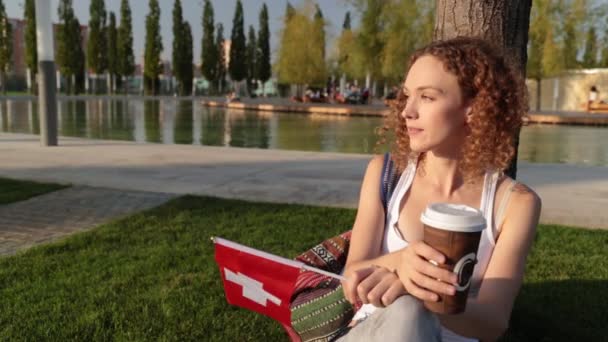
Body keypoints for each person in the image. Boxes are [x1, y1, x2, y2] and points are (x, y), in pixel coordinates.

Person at [337, 37, 542, 342]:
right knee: (405, 313)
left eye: (427, 97)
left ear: (473, 108)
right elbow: (351, 277)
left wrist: (418, 291)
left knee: (411, 310)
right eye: (407, 96)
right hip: (374, 332)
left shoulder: (514, 204)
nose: (407, 111)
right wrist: (399, 262)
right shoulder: (384, 174)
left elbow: (493, 322)